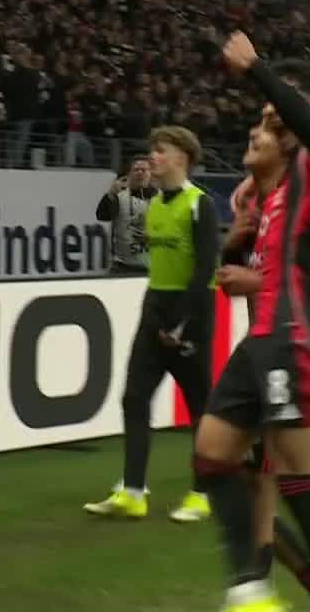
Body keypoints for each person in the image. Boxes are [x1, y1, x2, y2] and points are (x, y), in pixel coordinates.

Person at [194, 32, 310, 612]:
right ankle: (258, 584)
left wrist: (256, 68)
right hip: (263, 339)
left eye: (278, 104)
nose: (267, 115)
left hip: (298, 338)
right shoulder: (277, 190)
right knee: (216, 458)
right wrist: (241, 245)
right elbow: (272, 261)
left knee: (290, 478)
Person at [220, 126, 310, 610]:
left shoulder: (302, 205)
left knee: (274, 479)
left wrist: (258, 282)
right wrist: (232, 245)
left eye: (267, 129)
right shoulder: (250, 205)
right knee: (243, 476)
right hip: (257, 353)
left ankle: (270, 588)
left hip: (289, 355)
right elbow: (230, 276)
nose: (254, 134)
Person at [84, 126, 219, 523]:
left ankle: (202, 493)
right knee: (134, 397)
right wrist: (157, 317)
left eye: (160, 151)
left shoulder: (200, 205)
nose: (152, 157)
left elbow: (204, 271)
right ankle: (133, 491)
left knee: (199, 406)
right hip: (155, 307)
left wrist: (181, 324)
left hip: (191, 314)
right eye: (152, 150)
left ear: (181, 157)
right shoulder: (155, 206)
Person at [97, 156, 156, 274]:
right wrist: (110, 194)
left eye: (144, 170)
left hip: (153, 267)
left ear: (151, 173)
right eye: (136, 170)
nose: (140, 173)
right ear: (129, 174)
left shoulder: (160, 198)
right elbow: (102, 215)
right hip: (123, 267)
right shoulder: (119, 196)